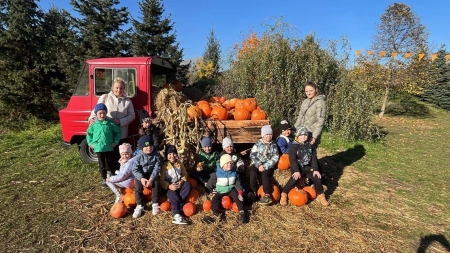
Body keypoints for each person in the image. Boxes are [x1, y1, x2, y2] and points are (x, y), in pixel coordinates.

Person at [88, 77, 135, 173]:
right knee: (108, 155)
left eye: (121, 88)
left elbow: (132, 115)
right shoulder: (105, 97)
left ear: (124, 89)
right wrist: (92, 118)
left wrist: (121, 121)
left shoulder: (128, 101)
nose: (119, 90)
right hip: (107, 134)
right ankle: (109, 174)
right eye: (117, 87)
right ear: (112, 88)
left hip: (121, 133)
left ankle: (121, 173)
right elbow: (96, 110)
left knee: (121, 154)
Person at [280, 126, 329, 206]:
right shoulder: (294, 147)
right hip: (298, 168)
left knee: (317, 178)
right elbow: (293, 160)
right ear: (298, 136)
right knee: (294, 179)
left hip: (308, 168)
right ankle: (284, 193)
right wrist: (296, 170)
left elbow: (313, 158)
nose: (303, 136)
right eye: (301, 135)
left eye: (305, 135)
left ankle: (321, 196)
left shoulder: (310, 146)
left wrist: (316, 169)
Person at [294, 81, 326, 177]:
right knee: (303, 152)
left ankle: (319, 175)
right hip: (303, 132)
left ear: (316, 90)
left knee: (311, 153)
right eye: (306, 91)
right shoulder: (305, 101)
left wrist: (315, 136)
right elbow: (300, 116)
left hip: (312, 132)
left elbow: (320, 121)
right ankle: (308, 173)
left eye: (311, 90)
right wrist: (295, 129)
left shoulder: (320, 103)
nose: (308, 93)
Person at [203, 154, 247, 224]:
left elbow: (238, 183)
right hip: (220, 190)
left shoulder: (234, 173)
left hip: (230, 189)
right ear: (222, 164)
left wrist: (240, 193)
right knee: (215, 200)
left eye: (231, 163)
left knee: (237, 196)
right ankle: (216, 215)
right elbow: (209, 185)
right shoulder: (216, 175)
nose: (229, 165)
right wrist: (210, 191)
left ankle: (242, 213)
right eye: (227, 163)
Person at [86, 103, 122, 186]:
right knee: (102, 164)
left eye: (104, 113)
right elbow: (89, 134)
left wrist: (115, 142)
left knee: (110, 162)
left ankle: (112, 176)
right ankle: (104, 178)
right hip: (98, 148)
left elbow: (118, 132)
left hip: (109, 147)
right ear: (96, 114)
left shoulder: (110, 123)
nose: (102, 115)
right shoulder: (93, 124)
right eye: (100, 113)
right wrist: (90, 143)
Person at [159, 145, 191, 225]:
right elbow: (161, 180)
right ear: (166, 155)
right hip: (170, 186)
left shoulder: (179, 163)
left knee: (188, 185)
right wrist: (169, 186)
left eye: (174, 154)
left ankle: (178, 203)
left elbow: (184, 174)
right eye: (169, 154)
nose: (172, 156)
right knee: (173, 195)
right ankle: (176, 215)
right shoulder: (164, 166)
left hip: (179, 184)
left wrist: (182, 181)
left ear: (176, 154)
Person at [248, 125, 279, 205]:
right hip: (258, 163)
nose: (268, 136)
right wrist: (258, 165)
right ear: (263, 135)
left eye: (270, 134)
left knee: (265, 175)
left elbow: (275, 157)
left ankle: (267, 195)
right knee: (253, 172)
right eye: (266, 134)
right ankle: (254, 191)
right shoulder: (258, 143)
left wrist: (266, 166)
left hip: (267, 165)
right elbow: (253, 154)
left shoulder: (273, 145)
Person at [131, 135, 161, 218]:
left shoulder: (156, 155)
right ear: (141, 147)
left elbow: (157, 168)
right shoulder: (138, 156)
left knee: (156, 182)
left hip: (152, 174)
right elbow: (135, 169)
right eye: (146, 146)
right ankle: (140, 204)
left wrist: (151, 179)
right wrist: (141, 178)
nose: (148, 148)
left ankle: (155, 202)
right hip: (142, 174)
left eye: (150, 145)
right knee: (137, 185)